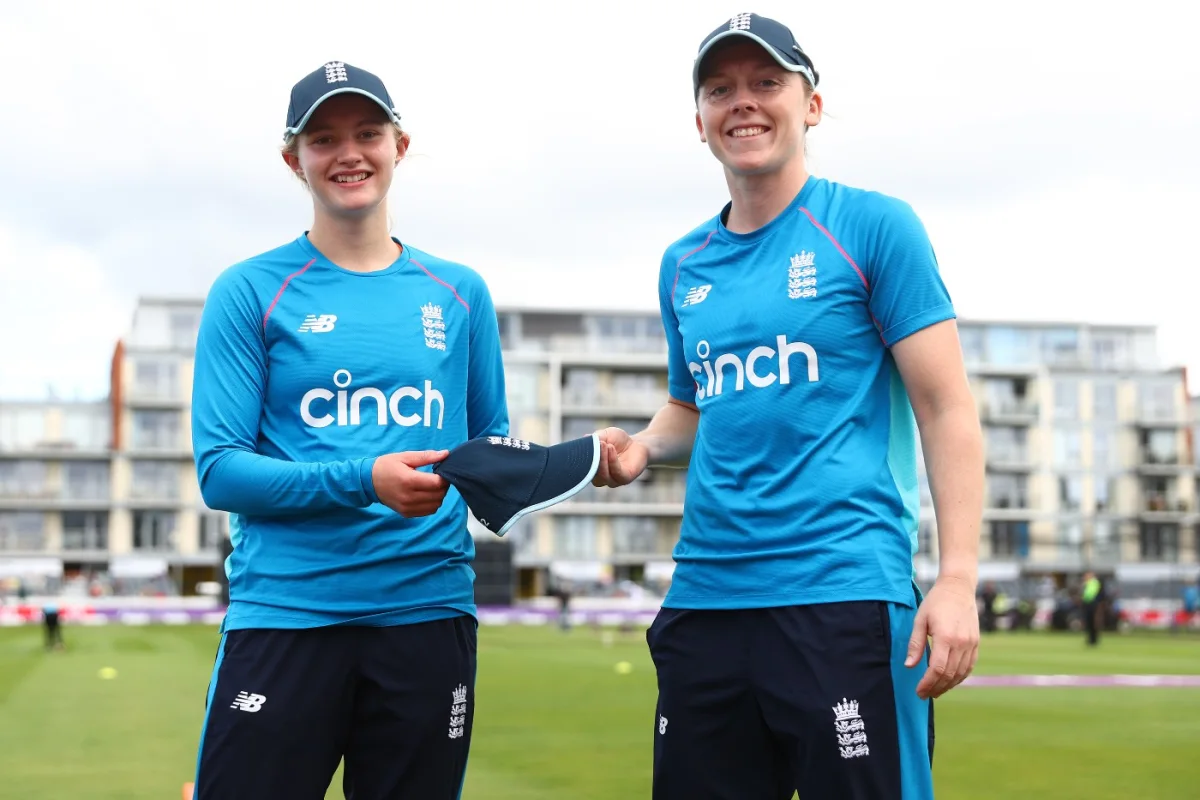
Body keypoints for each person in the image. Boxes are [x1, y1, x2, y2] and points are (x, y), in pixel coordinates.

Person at [591, 14, 982, 799]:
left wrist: (957, 579)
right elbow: (692, 407)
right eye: (720, 89)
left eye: (767, 82)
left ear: (812, 105)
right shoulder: (683, 264)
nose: (743, 102)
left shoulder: (873, 226)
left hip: (843, 593)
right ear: (699, 121)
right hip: (706, 600)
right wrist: (642, 447)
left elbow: (946, 409)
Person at [188, 60, 509, 800]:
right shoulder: (249, 290)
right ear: (292, 159)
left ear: (400, 145)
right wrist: (365, 479)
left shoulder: (459, 293)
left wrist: (583, 462)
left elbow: (489, 452)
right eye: (324, 139)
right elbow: (221, 471)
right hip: (287, 615)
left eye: (367, 133)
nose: (349, 154)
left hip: (426, 615)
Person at [1081, 571, 1103, 646]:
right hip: (1089, 604)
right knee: (1089, 622)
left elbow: (1090, 594)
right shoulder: (1088, 583)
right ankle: (1091, 639)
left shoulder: (1094, 582)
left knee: (1093, 622)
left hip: (1092, 604)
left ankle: (1093, 639)